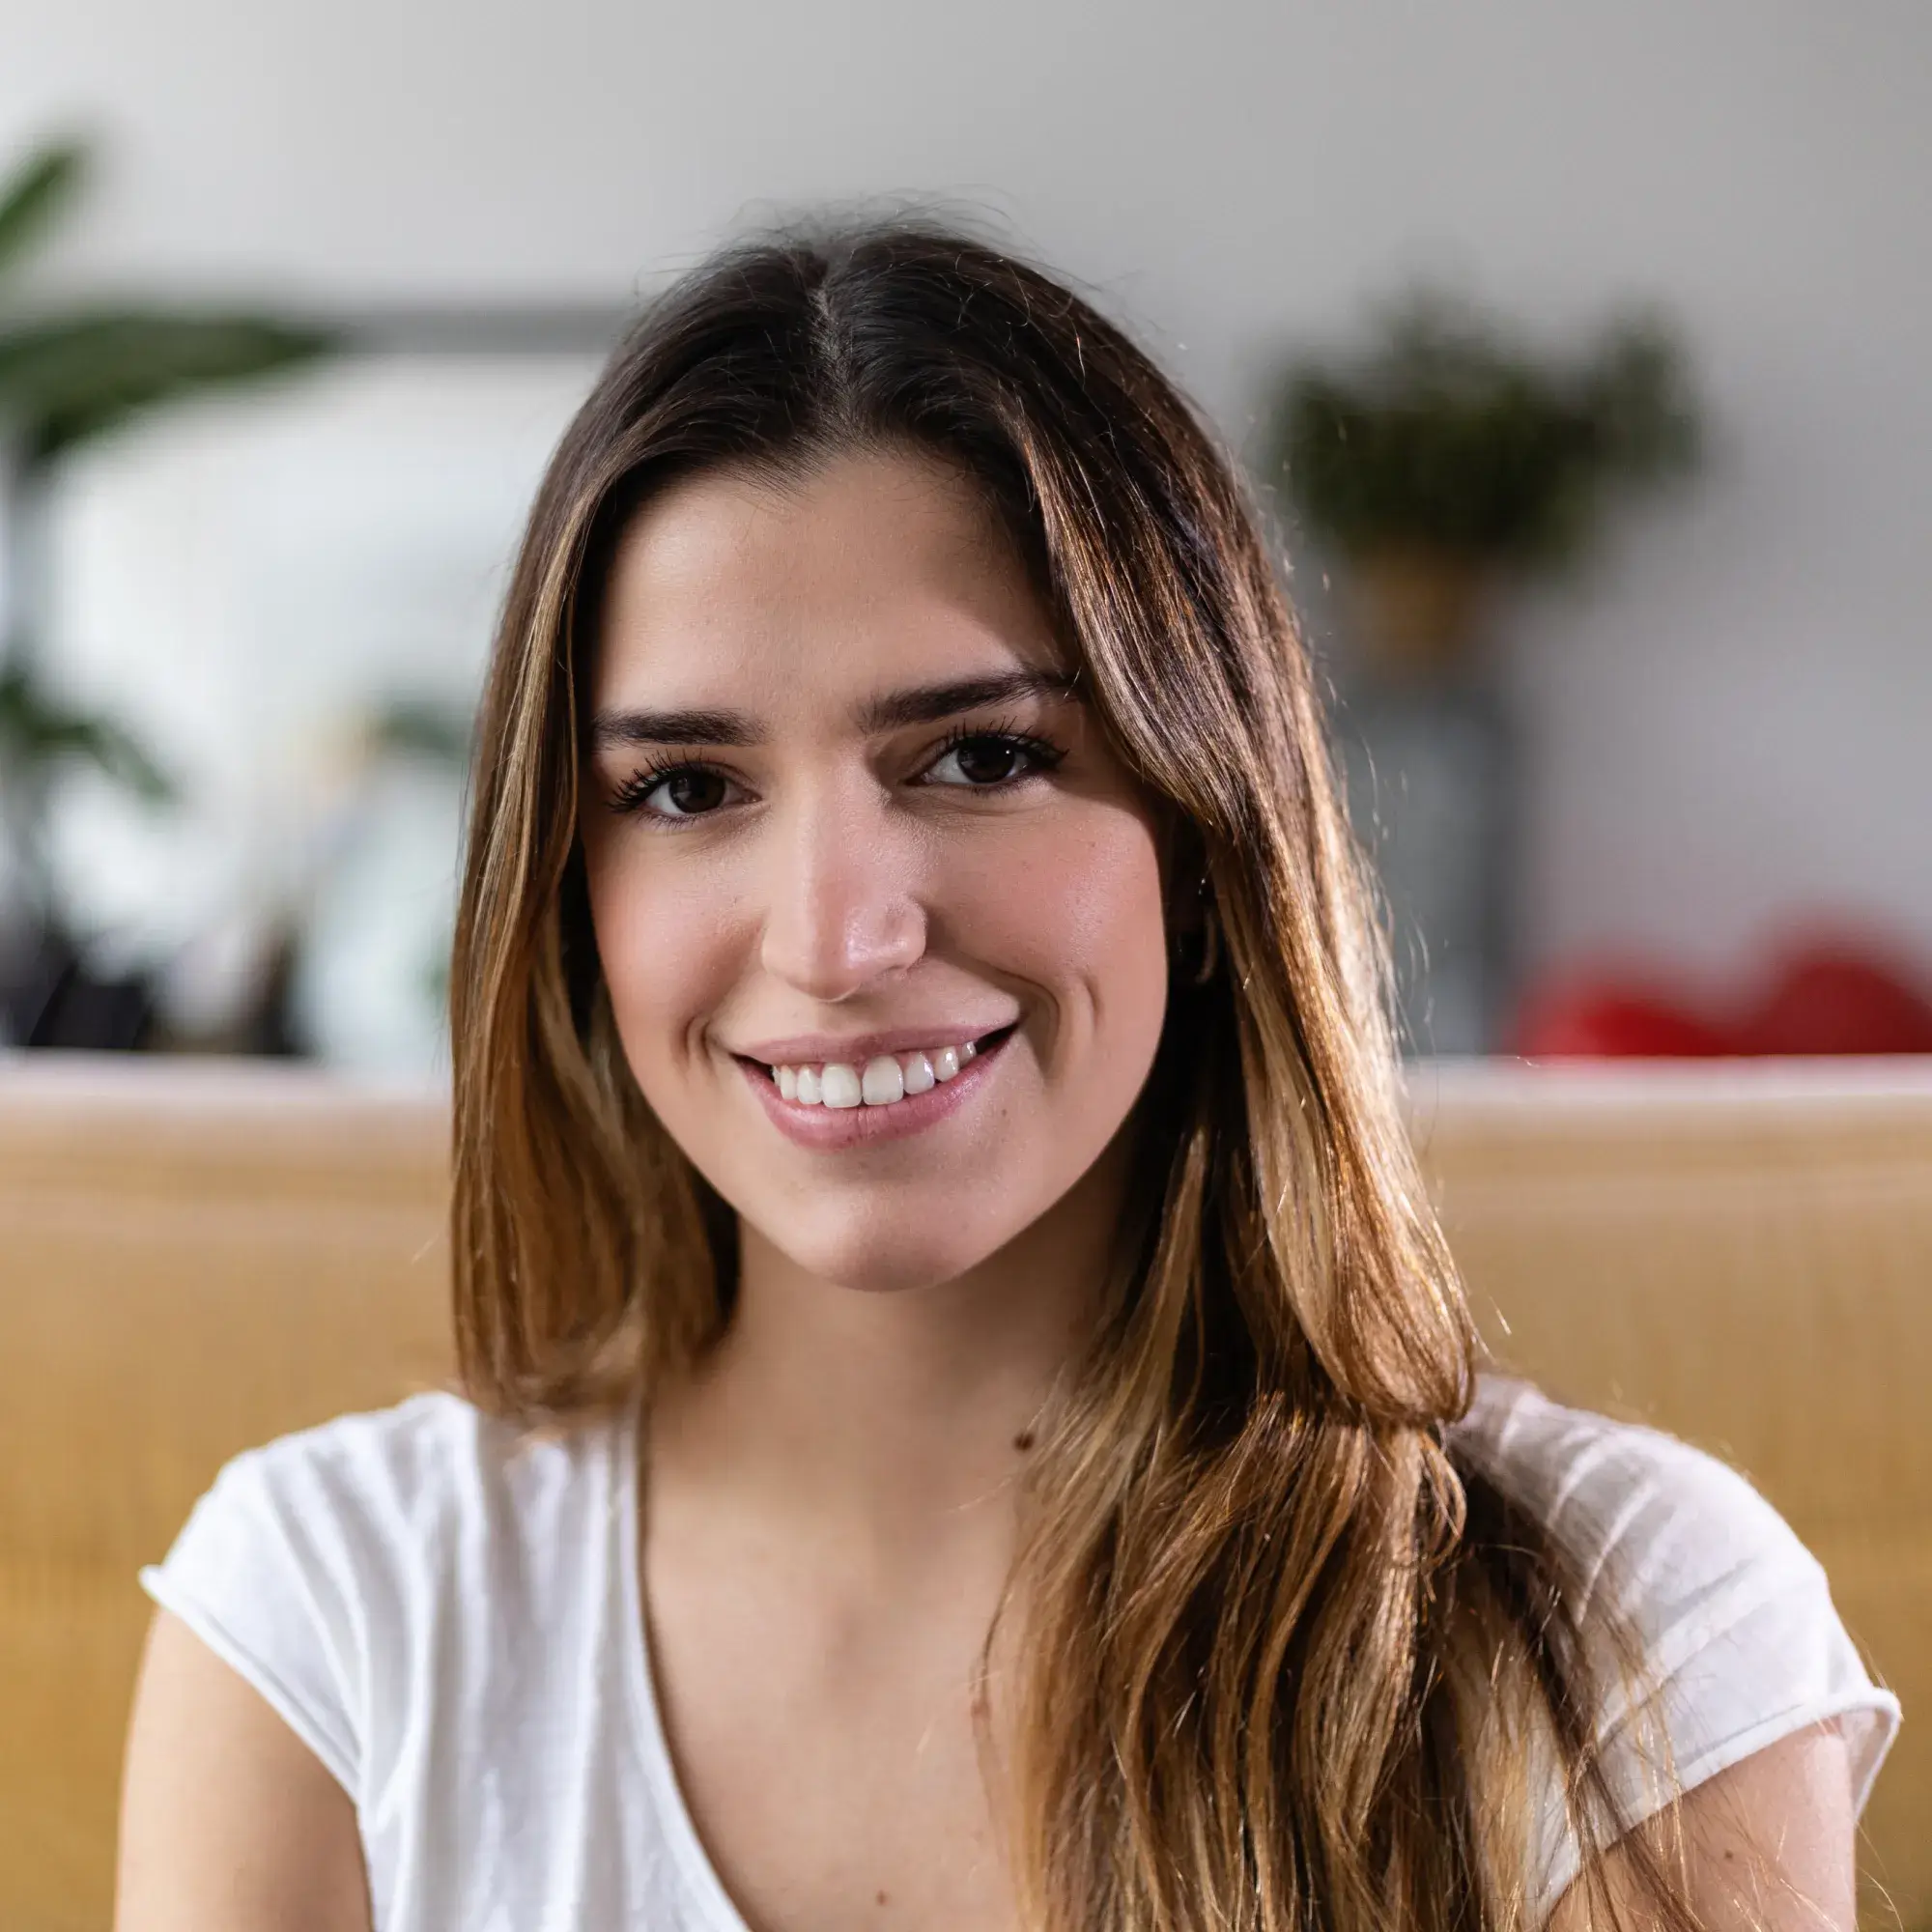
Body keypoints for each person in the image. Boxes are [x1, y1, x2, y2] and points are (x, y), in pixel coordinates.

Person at [116, 226, 1897, 1932]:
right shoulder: (334, 1620)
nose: (835, 935)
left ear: (1209, 847)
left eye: (979, 755)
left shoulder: (1620, 1627)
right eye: (684, 788)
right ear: (567, 902)